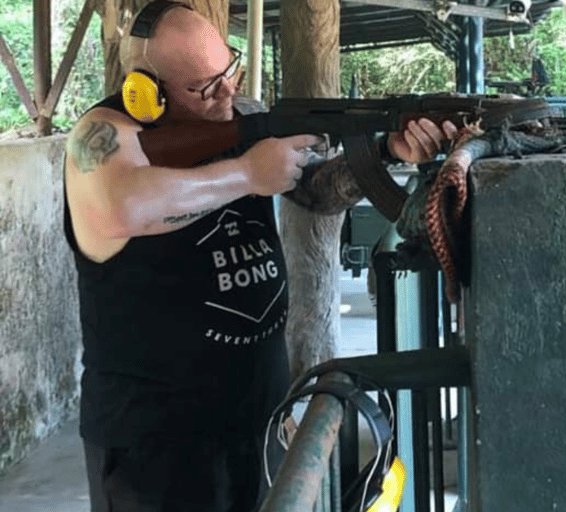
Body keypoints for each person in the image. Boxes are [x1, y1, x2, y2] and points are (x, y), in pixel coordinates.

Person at [63, 1, 457, 511]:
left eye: (230, 70)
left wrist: (382, 152)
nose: (229, 93)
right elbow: (124, 206)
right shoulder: (101, 137)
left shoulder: (243, 117)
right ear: (147, 93)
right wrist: (247, 173)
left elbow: (315, 191)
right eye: (205, 88)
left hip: (257, 414)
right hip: (154, 441)